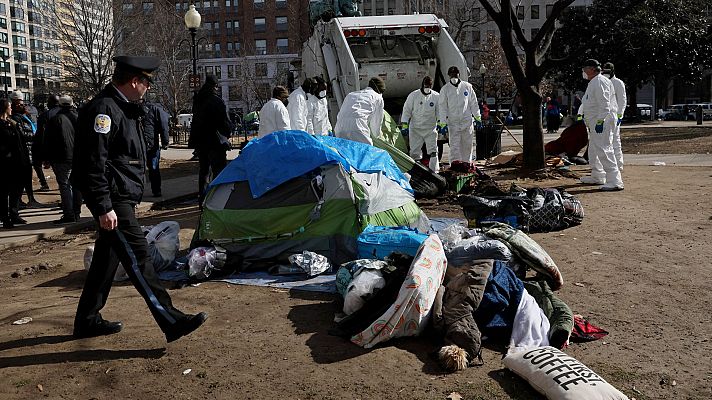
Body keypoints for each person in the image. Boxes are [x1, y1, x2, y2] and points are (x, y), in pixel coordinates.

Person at [72, 55, 207, 341]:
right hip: (114, 200)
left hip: (119, 197)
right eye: (146, 82)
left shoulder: (123, 107)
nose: (148, 88)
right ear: (135, 81)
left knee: (105, 264)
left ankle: (87, 320)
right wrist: (103, 206)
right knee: (139, 260)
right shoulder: (105, 110)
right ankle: (171, 320)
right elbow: (93, 163)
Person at [577, 58, 623, 191]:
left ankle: (615, 181)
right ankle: (598, 176)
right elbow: (588, 102)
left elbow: (605, 104)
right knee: (593, 150)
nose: (583, 72)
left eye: (585, 69)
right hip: (594, 123)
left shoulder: (600, 82)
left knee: (604, 149)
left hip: (602, 122)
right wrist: (582, 115)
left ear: (591, 69)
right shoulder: (594, 82)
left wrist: (600, 121)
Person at [190, 75, 233, 207]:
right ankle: (215, 200)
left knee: (204, 171)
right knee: (219, 171)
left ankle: (202, 198)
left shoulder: (198, 100)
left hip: (201, 142)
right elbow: (224, 122)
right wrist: (228, 132)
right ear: (215, 86)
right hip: (215, 142)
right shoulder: (216, 101)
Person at [44, 95, 83, 224]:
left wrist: (47, 158)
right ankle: (76, 212)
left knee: (65, 185)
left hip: (61, 157)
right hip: (77, 156)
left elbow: (49, 140)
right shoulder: (79, 118)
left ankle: (69, 214)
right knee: (76, 185)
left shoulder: (55, 119)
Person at [438, 66, 481, 163]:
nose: (454, 76)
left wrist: (477, 117)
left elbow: (473, 103)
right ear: (449, 76)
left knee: (467, 145)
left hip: (466, 121)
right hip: (453, 123)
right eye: (452, 74)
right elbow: (442, 107)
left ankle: (467, 164)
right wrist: (443, 123)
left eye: (456, 74)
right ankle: (456, 166)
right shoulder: (445, 89)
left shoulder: (467, 87)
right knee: (454, 146)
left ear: (459, 74)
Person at [10, 96, 45, 207]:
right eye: (20, 104)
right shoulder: (15, 119)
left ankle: (29, 199)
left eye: (23, 104)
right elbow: (22, 135)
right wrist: (35, 136)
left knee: (27, 177)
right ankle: (22, 200)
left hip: (30, 151)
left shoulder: (25, 117)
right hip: (24, 152)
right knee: (22, 178)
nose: (23, 106)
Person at [401, 76, 440, 172]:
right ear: (423, 85)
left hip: (430, 129)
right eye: (426, 85)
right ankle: (416, 173)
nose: (428, 87)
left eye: (429, 86)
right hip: (416, 129)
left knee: (433, 151)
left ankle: (434, 172)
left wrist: (441, 123)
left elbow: (440, 111)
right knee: (414, 153)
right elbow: (407, 110)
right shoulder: (413, 95)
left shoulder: (436, 96)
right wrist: (405, 124)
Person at [0, 98, 28, 228]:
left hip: (17, 162)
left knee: (16, 190)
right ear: (5, 108)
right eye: (9, 106)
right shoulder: (1, 125)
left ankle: (14, 213)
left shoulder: (11, 122)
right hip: (5, 163)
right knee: (4, 191)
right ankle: (5, 217)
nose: (11, 108)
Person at [334, 77, 386, 145]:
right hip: (358, 128)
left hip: (339, 129)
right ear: (378, 89)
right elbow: (376, 122)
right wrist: (378, 136)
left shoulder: (351, 94)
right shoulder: (377, 97)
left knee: (345, 152)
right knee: (366, 151)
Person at [142, 101, 170, 197]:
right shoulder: (156, 109)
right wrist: (165, 142)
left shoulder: (137, 108)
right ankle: (156, 190)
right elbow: (164, 126)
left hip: (140, 142)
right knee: (154, 168)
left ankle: (137, 192)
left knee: (138, 168)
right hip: (152, 142)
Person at [603, 62, 626, 171]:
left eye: (608, 71)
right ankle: (609, 164)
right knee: (606, 141)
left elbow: (622, 100)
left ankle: (619, 164)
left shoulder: (618, 83)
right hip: (604, 116)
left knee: (615, 140)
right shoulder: (603, 82)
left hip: (614, 115)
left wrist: (620, 115)